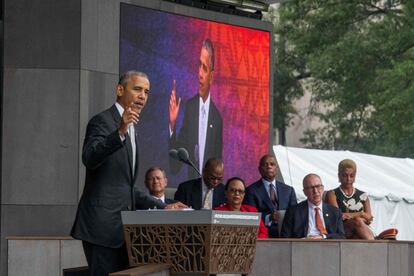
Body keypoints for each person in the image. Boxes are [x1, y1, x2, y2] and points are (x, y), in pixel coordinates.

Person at [71, 71, 185, 275]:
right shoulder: (102, 121)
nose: (143, 96)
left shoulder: (133, 128)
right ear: (119, 90)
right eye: (137, 89)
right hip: (101, 228)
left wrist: (163, 206)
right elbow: (89, 157)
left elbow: (127, 188)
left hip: (124, 232)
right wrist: (120, 132)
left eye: (147, 92)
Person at [169, 38, 223, 180]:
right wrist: (172, 125)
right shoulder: (190, 108)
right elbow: (175, 166)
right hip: (190, 187)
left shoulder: (217, 118)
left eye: (204, 68)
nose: (199, 73)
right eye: (199, 65)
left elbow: (219, 164)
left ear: (211, 76)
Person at [243, 154, 297, 238]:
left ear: (277, 169)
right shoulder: (251, 190)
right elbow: (251, 217)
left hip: (286, 235)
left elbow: (295, 215)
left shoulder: (289, 190)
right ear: (259, 170)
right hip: (263, 234)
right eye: (265, 164)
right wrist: (269, 217)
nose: (269, 167)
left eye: (272, 164)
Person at [281, 174, 345, 239]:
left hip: (327, 245)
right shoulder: (293, 211)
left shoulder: (335, 212)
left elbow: (341, 236)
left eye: (318, 186)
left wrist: (323, 237)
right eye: (311, 188)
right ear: (305, 192)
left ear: (323, 188)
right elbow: (285, 238)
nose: (316, 191)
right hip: (303, 246)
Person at [325, 159, 375, 240]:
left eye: (351, 176)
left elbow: (369, 218)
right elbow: (337, 217)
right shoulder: (332, 194)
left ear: (355, 176)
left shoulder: (363, 195)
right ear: (339, 176)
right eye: (345, 175)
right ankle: (375, 244)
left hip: (360, 231)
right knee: (357, 221)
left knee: (357, 227)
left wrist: (351, 216)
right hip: (342, 231)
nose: (348, 179)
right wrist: (361, 214)